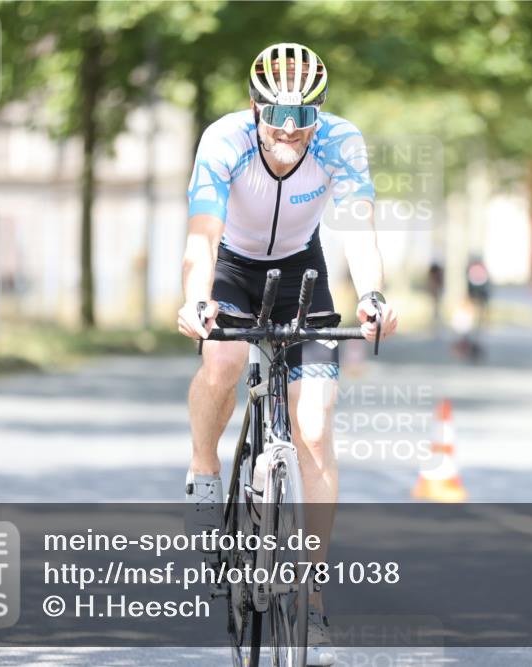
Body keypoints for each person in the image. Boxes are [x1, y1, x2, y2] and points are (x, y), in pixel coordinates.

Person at [177, 43, 398, 666]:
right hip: (232, 269)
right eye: (275, 114)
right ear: (253, 106)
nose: (288, 129)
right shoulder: (224, 140)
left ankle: (312, 596)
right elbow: (203, 234)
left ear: (319, 114)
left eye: (303, 117)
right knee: (220, 362)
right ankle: (203, 469)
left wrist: (374, 295)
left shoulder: (341, 142)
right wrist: (197, 299)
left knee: (317, 427)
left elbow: (358, 227)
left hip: (304, 271)